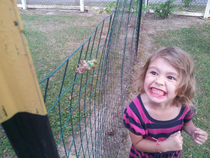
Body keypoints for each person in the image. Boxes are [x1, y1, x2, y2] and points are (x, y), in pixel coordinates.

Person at [123, 47, 208, 158]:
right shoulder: (135, 111)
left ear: (184, 85)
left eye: (170, 77)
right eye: (154, 72)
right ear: (145, 74)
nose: (159, 81)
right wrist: (164, 146)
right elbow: (138, 143)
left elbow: (186, 122)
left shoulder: (184, 105)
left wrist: (193, 132)